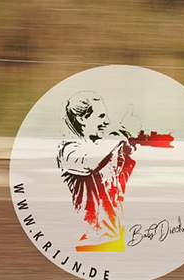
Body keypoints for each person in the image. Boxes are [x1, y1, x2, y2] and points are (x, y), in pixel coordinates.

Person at [57, 92, 142, 251]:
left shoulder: (102, 148)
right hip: (89, 242)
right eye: (101, 116)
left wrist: (127, 148)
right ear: (82, 119)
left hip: (111, 238)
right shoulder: (68, 150)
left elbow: (117, 187)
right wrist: (117, 135)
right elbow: (90, 162)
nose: (107, 121)